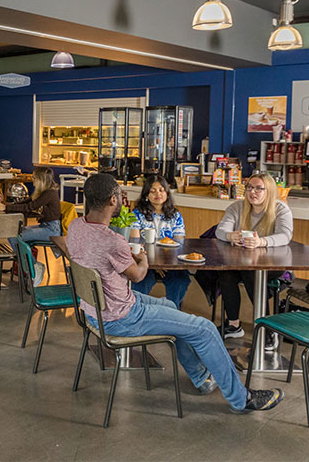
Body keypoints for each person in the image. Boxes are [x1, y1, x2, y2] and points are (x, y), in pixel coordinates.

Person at [66, 173, 283, 414]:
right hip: (121, 317)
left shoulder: (76, 226)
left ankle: (201, 377)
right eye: (119, 195)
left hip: (95, 312)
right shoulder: (112, 240)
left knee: (171, 307)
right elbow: (138, 275)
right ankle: (241, 399)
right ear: (112, 200)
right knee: (206, 328)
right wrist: (143, 259)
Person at [215, 172, 293, 350]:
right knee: (226, 273)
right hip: (242, 262)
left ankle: (267, 329)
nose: (253, 192)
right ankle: (234, 325)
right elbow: (220, 231)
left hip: (275, 263)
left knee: (251, 272)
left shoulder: (281, 209)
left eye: (259, 188)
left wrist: (262, 242)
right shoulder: (237, 207)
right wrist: (230, 235)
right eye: (250, 187)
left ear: (270, 191)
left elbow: (285, 236)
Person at [128, 174, 191, 308]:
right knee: (140, 280)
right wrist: (155, 265)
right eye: (153, 191)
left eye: (161, 190)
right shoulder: (136, 214)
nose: (158, 194)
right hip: (145, 261)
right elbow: (135, 242)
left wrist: (164, 263)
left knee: (180, 279)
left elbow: (179, 245)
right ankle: (138, 311)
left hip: (170, 263)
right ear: (146, 194)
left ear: (167, 193)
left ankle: (173, 313)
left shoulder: (175, 216)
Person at [6, 167, 61, 285]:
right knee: (13, 234)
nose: (32, 180)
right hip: (45, 227)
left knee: (14, 237)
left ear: (41, 179)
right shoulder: (44, 192)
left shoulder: (50, 193)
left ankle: (34, 266)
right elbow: (27, 202)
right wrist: (8, 206)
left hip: (51, 230)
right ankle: (30, 267)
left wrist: (6, 208)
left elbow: (30, 206)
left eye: (34, 177)